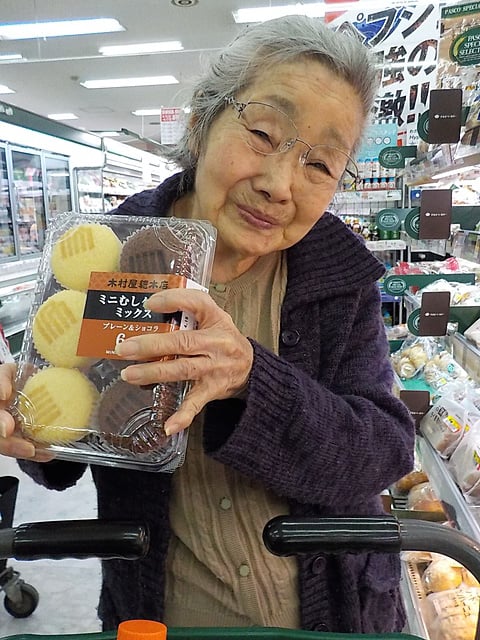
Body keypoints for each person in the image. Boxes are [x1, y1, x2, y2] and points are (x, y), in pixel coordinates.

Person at [0, 15, 415, 635]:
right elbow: (64, 452)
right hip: (164, 614)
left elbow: (380, 453)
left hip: (328, 616)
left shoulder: (339, 279)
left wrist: (253, 378)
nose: (279, 185)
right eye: (263, 133)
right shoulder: (104, 254)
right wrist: (22, 416)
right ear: (201, 121)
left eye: (320, 165)